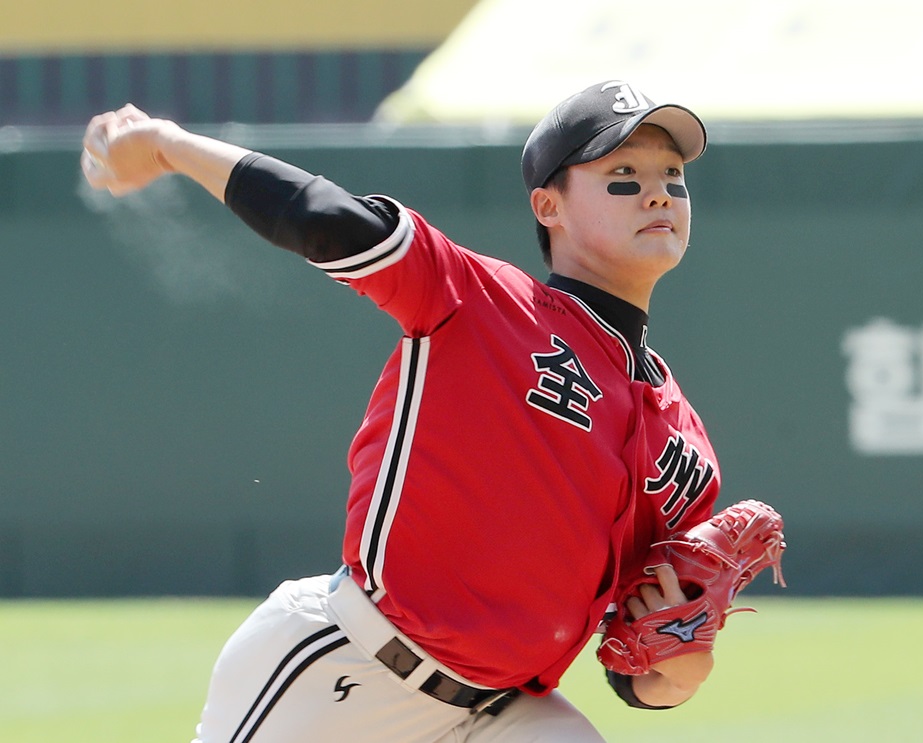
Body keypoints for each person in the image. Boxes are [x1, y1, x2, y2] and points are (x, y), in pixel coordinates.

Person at [82, 79, 721, 742]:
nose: (658, 193)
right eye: (623, 172)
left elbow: (633, 660)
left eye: (673, 176)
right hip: (352, 669)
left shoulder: (685, 448)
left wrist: (675, 673)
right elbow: (325, 218)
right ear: (548, 204)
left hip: (502, 711)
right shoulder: (482, 301)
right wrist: (168, 146)